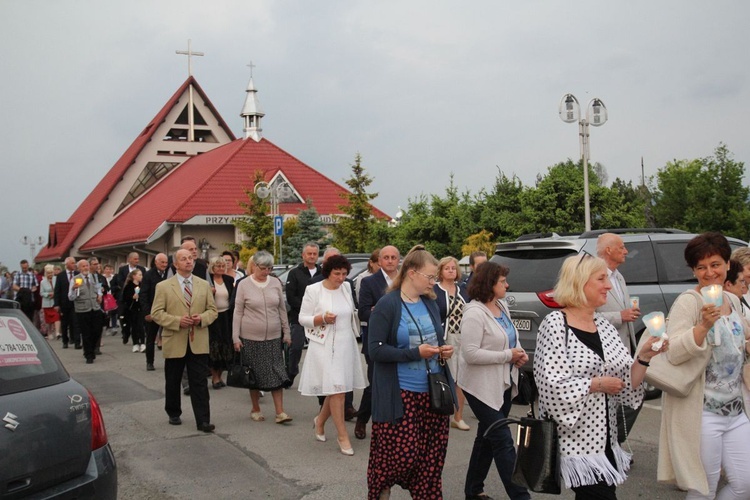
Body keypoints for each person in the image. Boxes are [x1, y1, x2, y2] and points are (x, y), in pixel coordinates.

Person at [535, 253, 666, 498]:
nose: (608, 285)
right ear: (579, 283)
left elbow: (628, 381)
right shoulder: (554, 324)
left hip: (606, 439)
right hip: (575, 443)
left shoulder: (604, 325)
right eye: (601, 279)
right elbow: (550, 387)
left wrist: (645, 356)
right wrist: (596, 384)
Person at [658, 232, 750, 498]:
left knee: (745, 484)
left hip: (735, 410)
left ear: (728, 265)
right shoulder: (689, 302)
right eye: (701, 267)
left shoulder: (732, 300)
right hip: (702, 413)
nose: (710, 272)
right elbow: (673, 351)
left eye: (715, 264)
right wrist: (703, 327)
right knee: (703, 488)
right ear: (693, 270)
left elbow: (742, 339)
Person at [367, 245, 455, 500]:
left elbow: (433, 339)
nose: (434, 283)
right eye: (430, 277)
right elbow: (375, 350)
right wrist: (415, 353)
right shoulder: (387, 305)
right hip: (401, 396)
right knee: (399, 458)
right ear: (411, 273)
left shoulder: (430, 302)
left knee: (430, 461)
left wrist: (441, 351)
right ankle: (382, 491)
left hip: (433, 394)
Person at [459, 261, 530, 500]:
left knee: (486, 438)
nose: (507, 285)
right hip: (480, 387)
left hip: (502, 383)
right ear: (489, 284)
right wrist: (507, 356)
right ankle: (521, 497)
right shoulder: (474, 312)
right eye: (502, 282)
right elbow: (470, 354)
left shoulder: (501, 306)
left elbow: (511, 338)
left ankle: (473, 490)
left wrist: (518, 353)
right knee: (502, 441)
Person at [298, 254, 366, 455]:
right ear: (328, 272)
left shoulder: (346, 288)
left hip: (346, 343)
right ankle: (342, 435)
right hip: (324, 345)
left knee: (337, 388)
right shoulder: (313, 289)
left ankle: (320, 421)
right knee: (337, 390)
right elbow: (302, 318)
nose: (341, 278)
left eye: (344, 274)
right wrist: (321, 318)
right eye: (337, 273)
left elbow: (351, 313)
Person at [151, 248, 218, 432]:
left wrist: (201, 319)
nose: (189, 261)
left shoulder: (203, 285)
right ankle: (173, 411)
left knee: (199, 382)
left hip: (198, 340)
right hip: (175, 339)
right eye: (183, 259)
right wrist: (176, 321)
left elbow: (212, 311)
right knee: (173, 379)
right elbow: (156, 314)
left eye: (190, 258)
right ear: (175, 264)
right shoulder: (164, 286)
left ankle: (203, 420)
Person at [232, 251, 293, 424]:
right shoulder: (244, 284)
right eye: (263, 268)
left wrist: (286, 332)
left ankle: (280, 412)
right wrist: (235, 337)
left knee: (277, 373)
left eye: (269, 268)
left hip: (273, 337)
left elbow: (282, 309)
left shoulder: (275, 283)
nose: (267, 272)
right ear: (255, 266)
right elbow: (238, 312)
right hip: (250, 337)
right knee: (254, 374)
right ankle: (255, 408)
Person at [595, 233, 644, 445]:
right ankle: (610, 444)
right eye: (622, 248)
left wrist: (629, 314)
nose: (626, 252)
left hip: (623, 350)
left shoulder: (618, 276)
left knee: (630, 398)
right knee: (614, 401)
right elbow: (585, 315)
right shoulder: (594, 276)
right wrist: (619, 316)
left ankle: (613, 443)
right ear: (608, 250)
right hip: (604, 352)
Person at [356, 245, 400, 440]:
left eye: (394, 257)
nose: (390, 261)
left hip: (401, 340)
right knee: (376, 383)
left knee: (399, 384)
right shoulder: (369, 282)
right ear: (379, 261)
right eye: (386, 257)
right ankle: (362, 419)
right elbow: (363, 311)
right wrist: (380, 312)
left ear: (399, 260)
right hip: (377, 341)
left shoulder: (405, 279)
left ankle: (392, 424)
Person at [434, 256, 471, 431]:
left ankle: (458, 416)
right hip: (444, 338)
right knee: (445, 376)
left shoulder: (463, 290)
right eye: (447, 268)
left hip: (462, 338)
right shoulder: (435, 290)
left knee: (460, 378)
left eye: (453, 268)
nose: (451, 271)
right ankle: (440, 415)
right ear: (440, 271)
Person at [285, 242, 322, 384]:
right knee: (296, 346)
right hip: (299, 318)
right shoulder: (294, 273)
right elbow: (291, 297)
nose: (312, 256)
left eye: (315, 254)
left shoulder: (322, 273)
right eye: (309, 253)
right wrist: (307, 308)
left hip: (319, 318)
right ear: (303, 255)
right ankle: (291, 372)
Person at [68, 259, 104, 364]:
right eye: (83, 266)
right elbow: (71, 297)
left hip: (95, 307)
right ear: (79, 268)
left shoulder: (94, 276)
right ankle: (88, 354)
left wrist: (100, 296)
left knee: (97, 331)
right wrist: (74, 289)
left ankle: (92, 349)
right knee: (86, 332)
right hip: (82, 309)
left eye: (87, 266)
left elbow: (98, 288)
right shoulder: (75, 279)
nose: (86, 268)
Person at [208, 257, 234, 388]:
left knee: (225, 345)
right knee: (214, 346)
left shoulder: (229, 280)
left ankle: (220, 374)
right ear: (212, 267)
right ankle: (215, 377)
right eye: (218, 266)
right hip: (213, 317)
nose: (221, 268)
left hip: (226, 316)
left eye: (223, 266)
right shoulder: (208, 281)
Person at [141, 253, 169, 371]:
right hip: (153, 311)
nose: (164, 265)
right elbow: (143, 294)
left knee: (169, 337)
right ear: (156, 262)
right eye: (162, 262)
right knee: (151, 338)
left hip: (167, 311)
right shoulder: (149, 275)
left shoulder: (169, 274)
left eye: (166, 262)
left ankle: (170, 361)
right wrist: (147, 312)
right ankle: (149, 362)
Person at [55, 257, 79, 349]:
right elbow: (57, 290)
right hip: (64, 303)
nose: (74, 265)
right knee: (64, 323)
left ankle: (77, 342)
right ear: (67, 264)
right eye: (72, 263)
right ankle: (65, 340)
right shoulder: (60, 276)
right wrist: (56, 304)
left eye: (75, 263)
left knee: (75, 322)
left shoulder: (77, 274)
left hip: (75, 302)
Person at [121, 269, 146, 353]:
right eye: (139, 275)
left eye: (141, 275)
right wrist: (132, 297)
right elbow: (124, 298)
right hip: (132, 309)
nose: (141, 276)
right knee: (134, 326)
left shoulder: (143, 285)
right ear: (134, 276)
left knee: (141, 326)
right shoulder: (128, 286)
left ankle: (142, 343)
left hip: (141, 308)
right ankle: (135, 343)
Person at [39, 264, 61, 340]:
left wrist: (56, 294)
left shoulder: (57, 279)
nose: (50, 274)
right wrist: (48, 294)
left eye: (51, 272)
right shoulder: (42, 282)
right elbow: (41, 293)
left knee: (56, 317)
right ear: (46, 273)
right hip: (47, 303)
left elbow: (59, 289)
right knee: (49, 320)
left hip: (55, 303)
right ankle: (49, 333)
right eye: (48, 273)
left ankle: (57, 332)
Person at [102, 264, 120, 333]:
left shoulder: (114, 277)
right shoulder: (102, 277)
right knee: (106, 312)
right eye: (107, 269)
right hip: (105, 296)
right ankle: (107, 326)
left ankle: (114, 326)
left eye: (110, 269)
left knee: (113, 311)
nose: (108, 271)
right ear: (104, 270)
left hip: (112, 296)